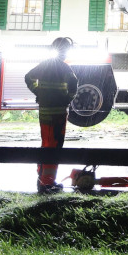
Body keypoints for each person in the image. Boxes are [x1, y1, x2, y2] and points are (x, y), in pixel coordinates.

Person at [25, 36, 80, 194]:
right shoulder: (64, 68)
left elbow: (28, 77)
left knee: (46, 144)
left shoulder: (44, 65)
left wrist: (39, 92)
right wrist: (67, 99)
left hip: (44, 113)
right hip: (58, 115)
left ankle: (42, 178)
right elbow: (74, 85)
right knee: (54, 147)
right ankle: (47, 184)